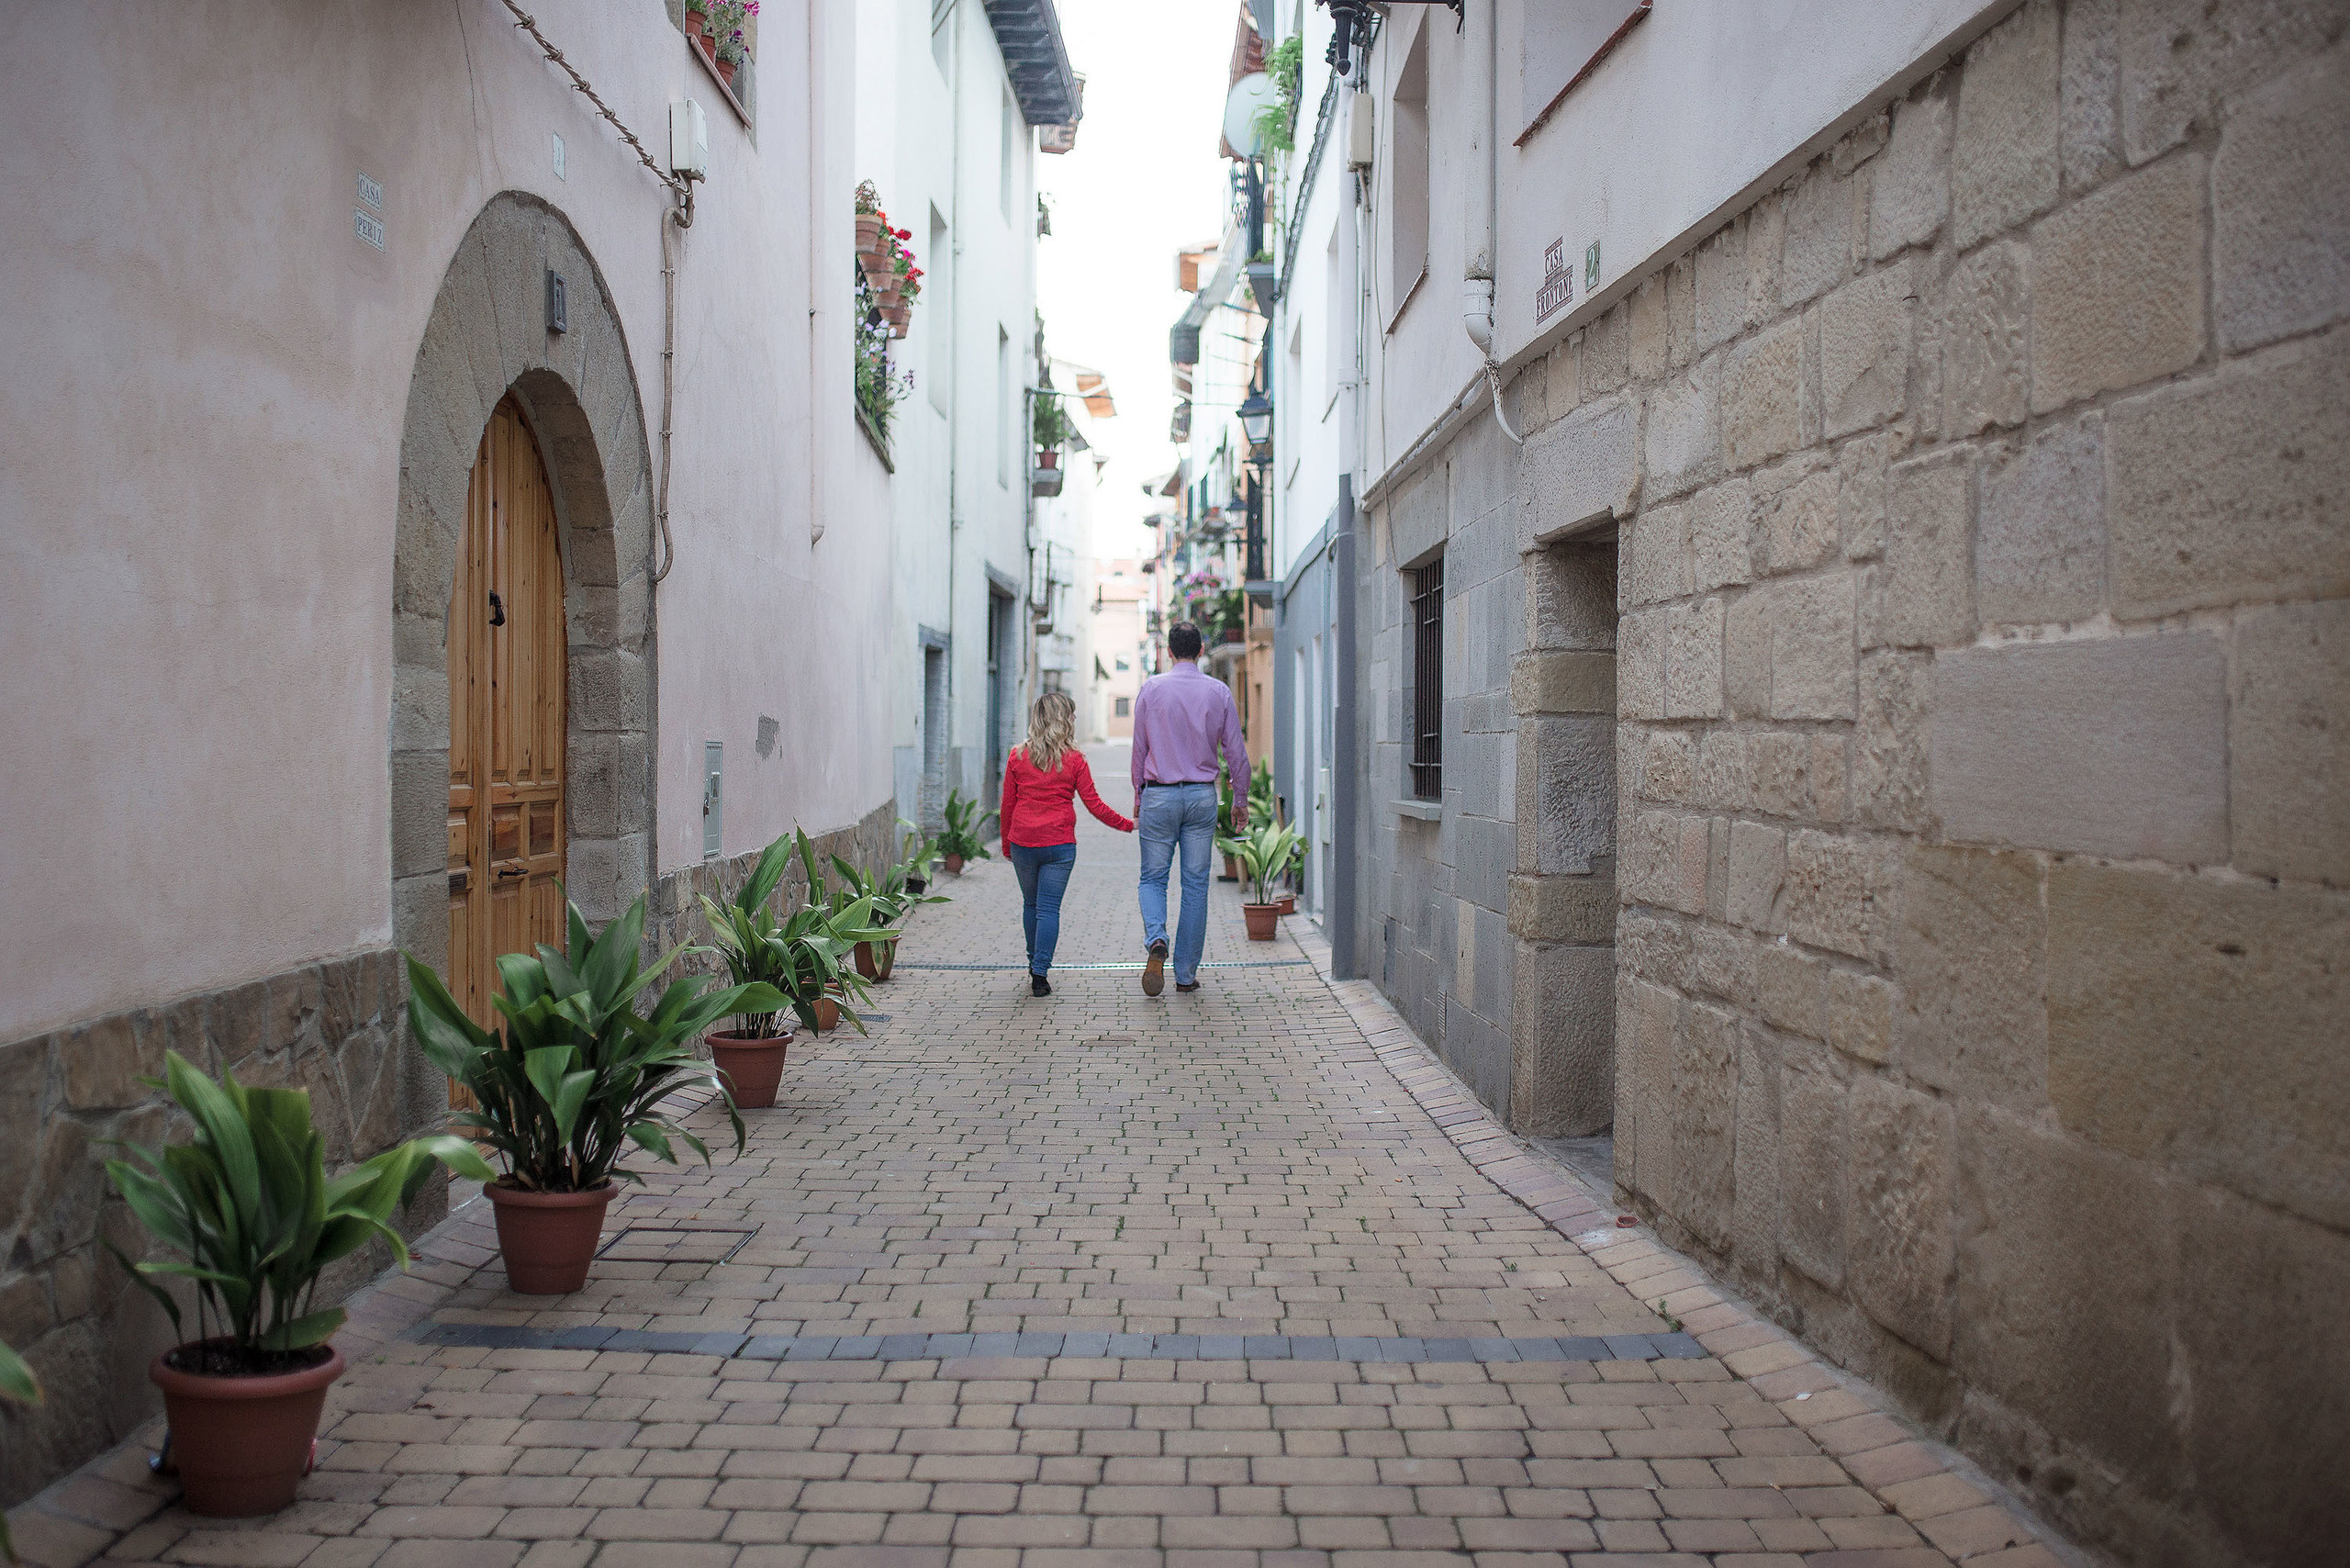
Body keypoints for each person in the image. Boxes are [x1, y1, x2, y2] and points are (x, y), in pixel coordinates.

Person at [1128, 621, 1249, 996]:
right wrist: (1240, 800)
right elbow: (1236, 753)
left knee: (1153, 878)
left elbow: (1139, 749)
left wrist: (1138, 794)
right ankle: (1184, 975)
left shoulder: (1151, 689)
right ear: (1200, 651)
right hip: (1200, 796)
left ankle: (1157, 940)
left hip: (1159, 795)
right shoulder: (1219, 691)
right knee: (1195, 886)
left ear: (1168, 651)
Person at [1000, 690, 1134, 995]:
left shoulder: (1017, 756)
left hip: (1023, 842)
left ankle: (1033, 963)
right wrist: (1128, 825)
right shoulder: (1075, 760)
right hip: (1059, 846)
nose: (1075, 719)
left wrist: (1007, 843)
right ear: (1063, 720)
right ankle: (1040, 974)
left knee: (1031, 905)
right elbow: (1094, 805)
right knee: (1048, 909)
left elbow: (1007, 804)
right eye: (1071, 714)